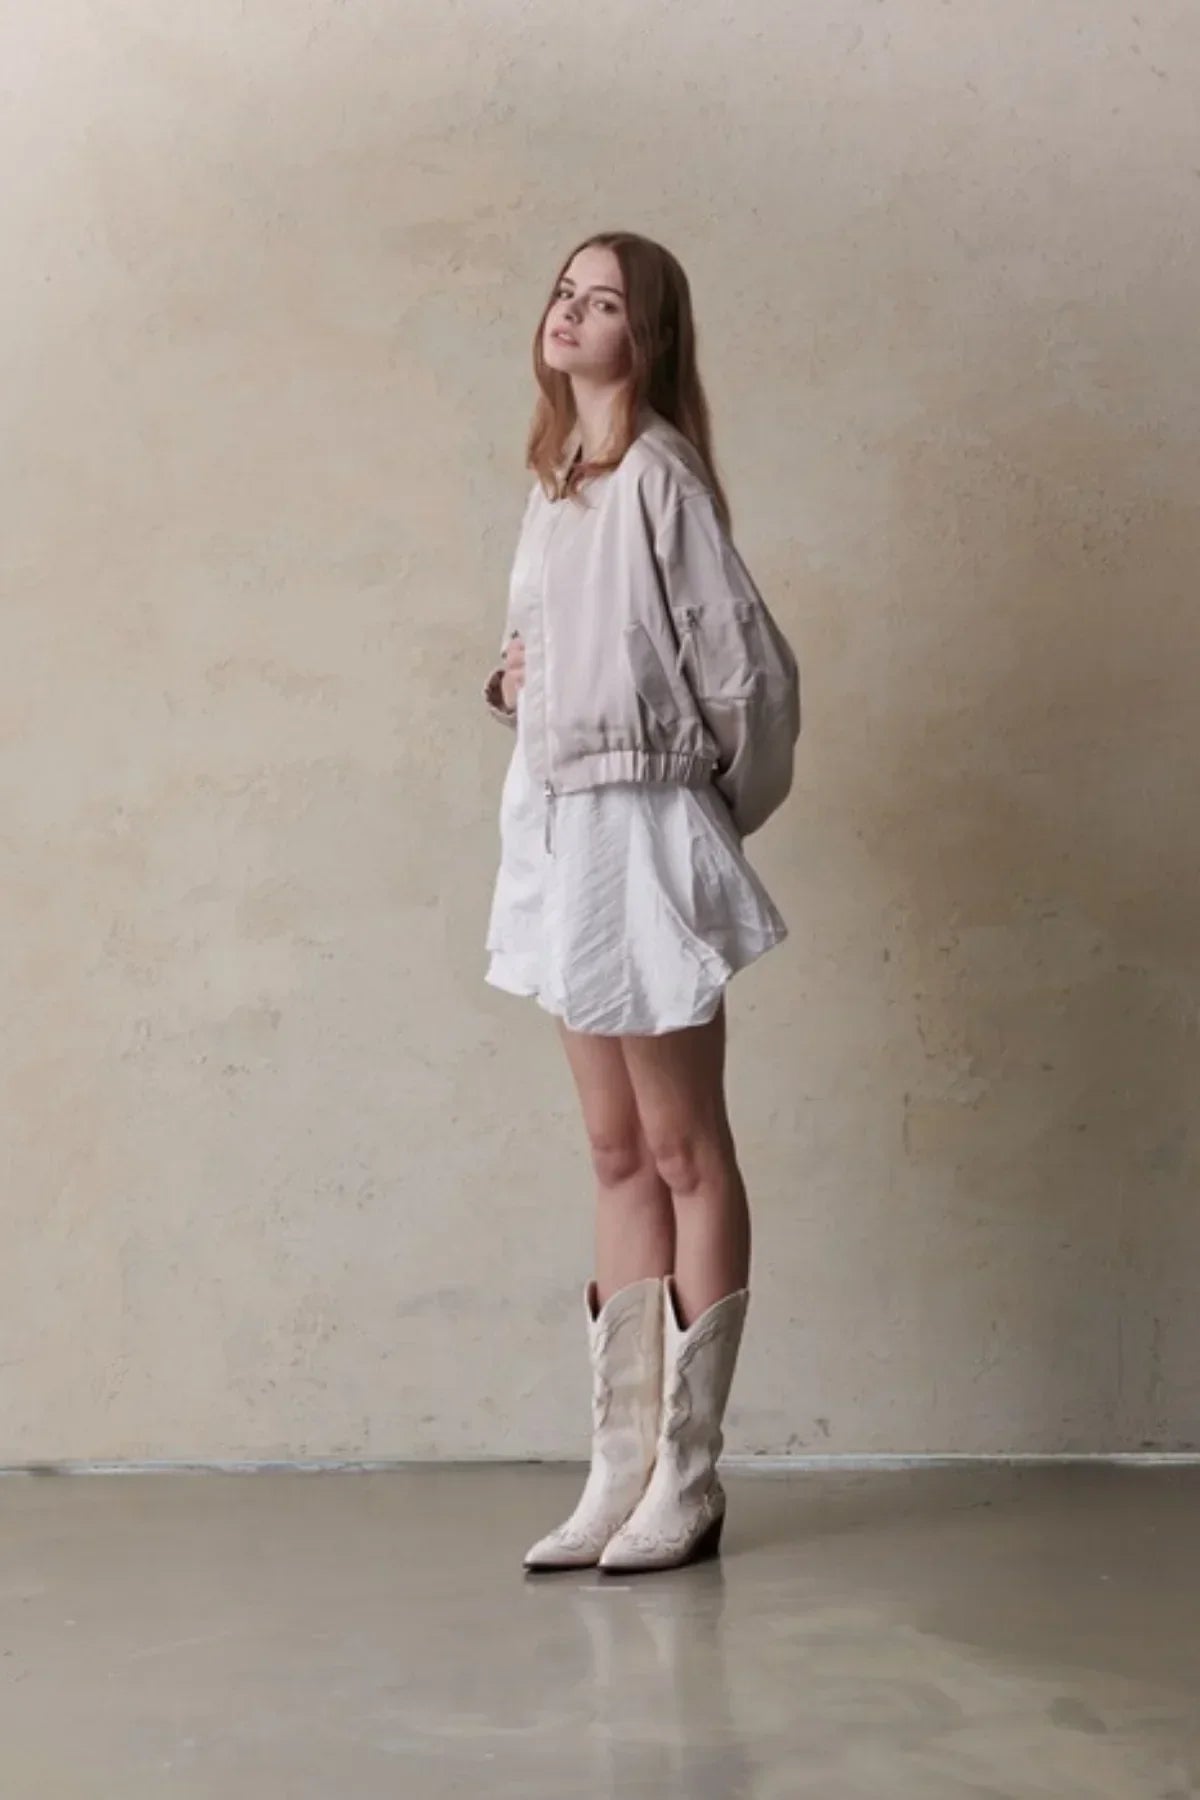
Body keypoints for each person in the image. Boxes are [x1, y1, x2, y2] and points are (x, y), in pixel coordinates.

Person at [481, 231, 801, 1575]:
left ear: (647, 336)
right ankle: (614, 1470)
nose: (571, 314)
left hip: (644, 830)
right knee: (613, 1154)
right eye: (564, 292)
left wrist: (706, 812)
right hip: (560, 829)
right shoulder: (554, 485)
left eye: (603, 302)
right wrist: (513, 686)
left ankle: (690, 1472)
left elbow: (750, 681)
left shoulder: (661, 477)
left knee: (684, 1150)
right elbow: (538, 652)